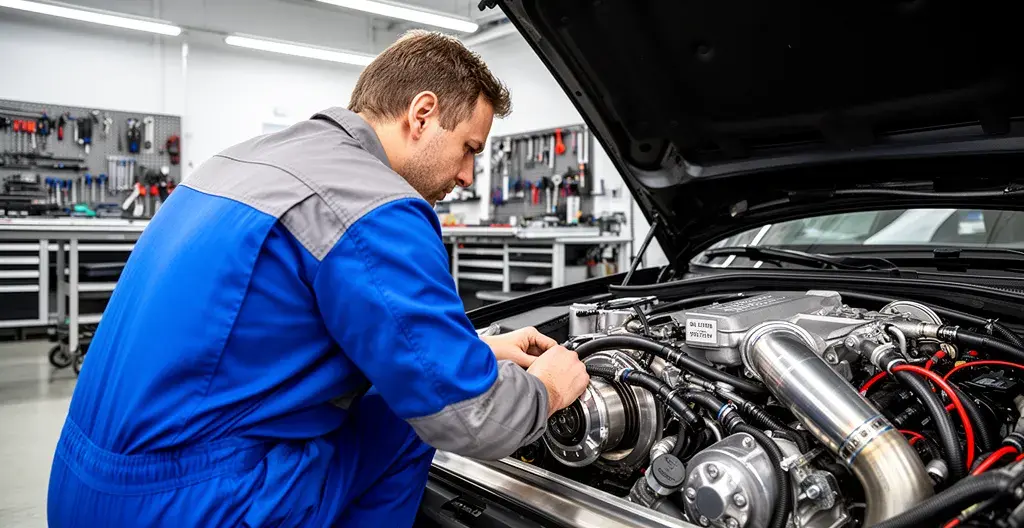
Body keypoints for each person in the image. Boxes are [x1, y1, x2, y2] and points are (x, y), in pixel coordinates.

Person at [47, 30, 590, 527]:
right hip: (187, 504)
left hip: (83, 484)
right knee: (407, 423)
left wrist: (478, 348)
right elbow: (468, 416)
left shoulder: (236, 164)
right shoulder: (376, 205)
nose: (469, 175)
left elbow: (287, 331)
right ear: (422, 114)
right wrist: (547, 390)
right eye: (470, 148)